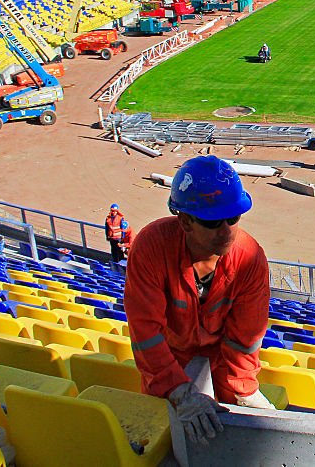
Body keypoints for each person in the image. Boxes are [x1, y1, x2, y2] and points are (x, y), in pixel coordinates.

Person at [124, 156, 274, 445]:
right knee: (163, 438)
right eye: (213, 222)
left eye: (233, 218)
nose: (227, 230)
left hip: (221, 355)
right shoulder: (151, 247)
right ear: (184, 221)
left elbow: (245, 337)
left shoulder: (250, 258)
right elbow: (145, 333)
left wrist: (242, 391)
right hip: (169, 355)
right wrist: (178, 391)